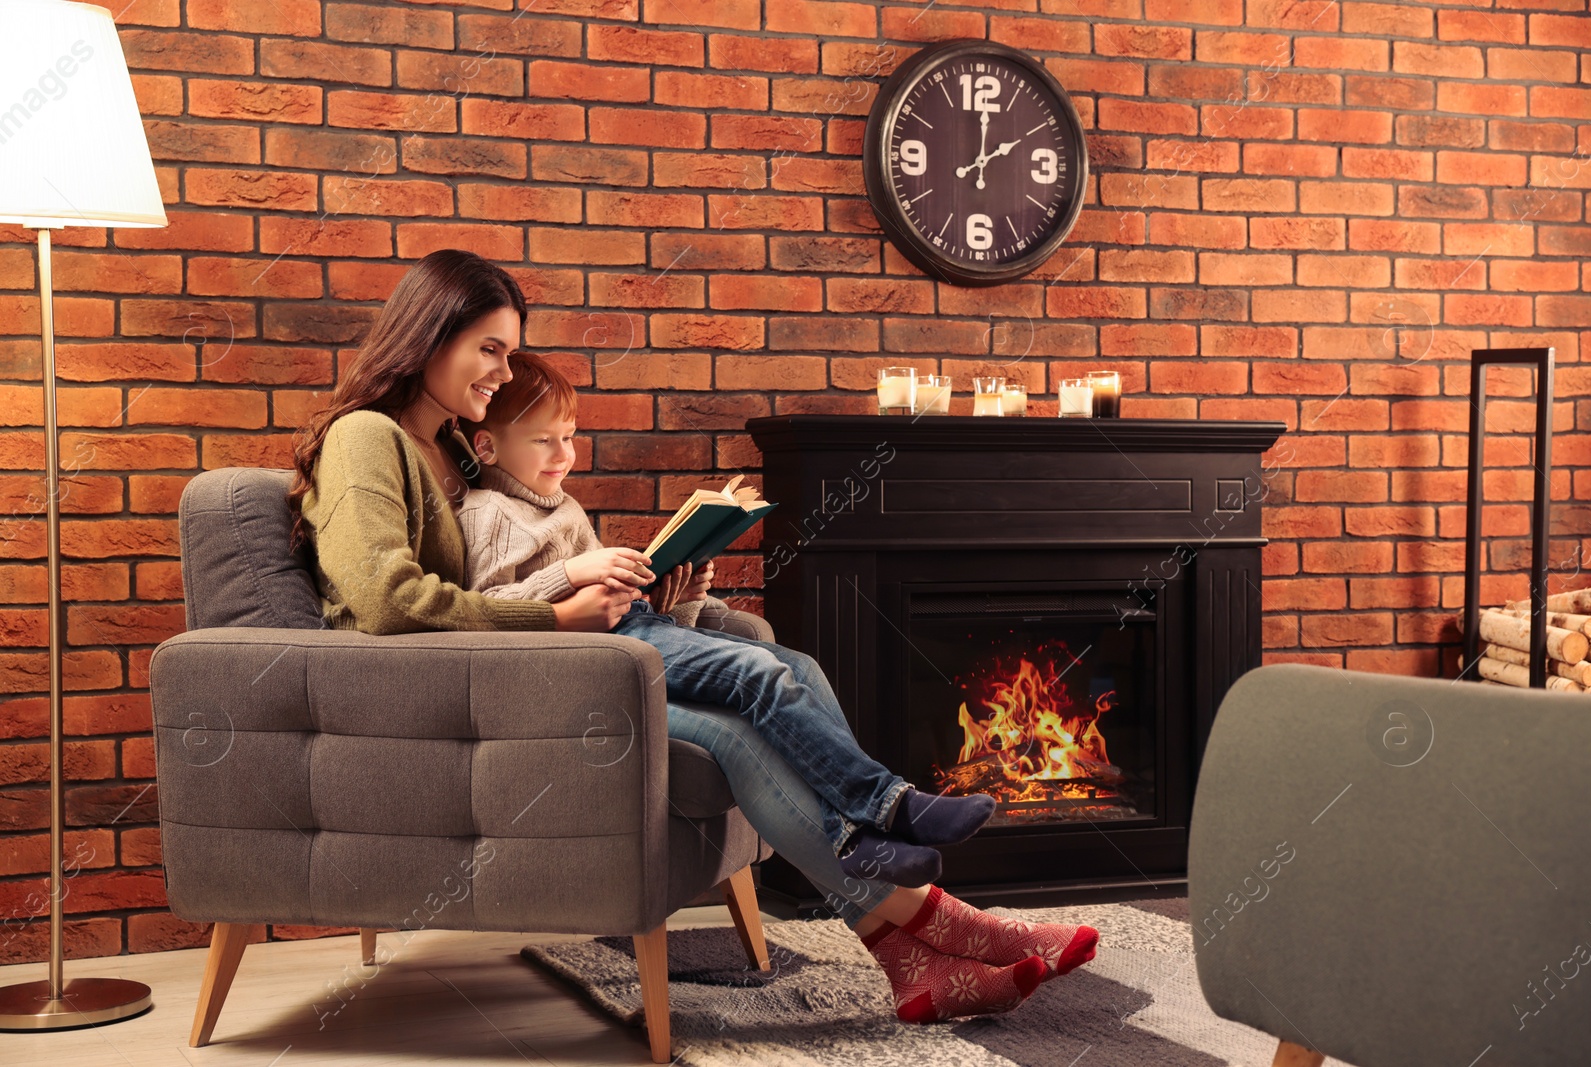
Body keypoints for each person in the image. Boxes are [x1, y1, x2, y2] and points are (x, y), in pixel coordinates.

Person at [289, 249, 1096, 1024]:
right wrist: (561, 614)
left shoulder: (460, 452)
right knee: (734, 735)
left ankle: (912, 957)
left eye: (509, 353)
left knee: (796, 664)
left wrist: (656, 593)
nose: (503, 372)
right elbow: (387, 601)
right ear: (429, 336)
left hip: (542, 665)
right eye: (489, 349)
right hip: (474, 698)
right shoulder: (369, 435)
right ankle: (954, 925)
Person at [455, 351, 998, 889]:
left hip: (636, 631)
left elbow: (639, 621)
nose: (563, 454)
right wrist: (573, 571)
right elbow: (490, 603)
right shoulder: (490, 512)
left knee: (800, 666)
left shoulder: (559, 504)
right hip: (594, 658)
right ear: (488, 445)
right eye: (542, 439)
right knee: (756, 673)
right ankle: (888, 805)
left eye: (569, 436)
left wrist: (679, 597)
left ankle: (856, 839)